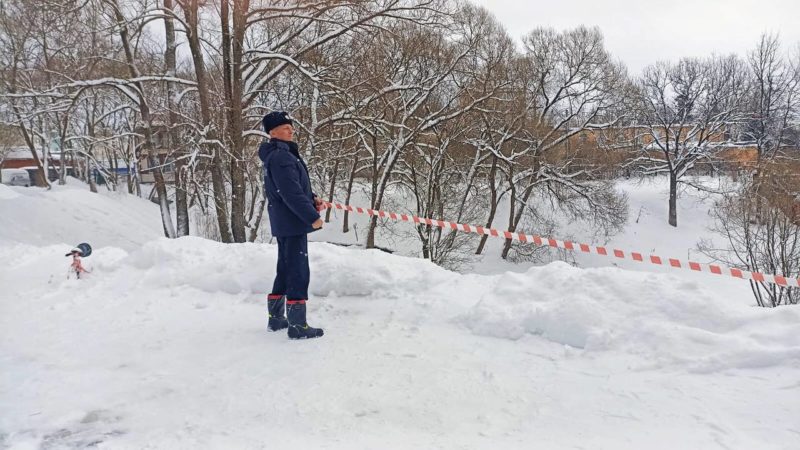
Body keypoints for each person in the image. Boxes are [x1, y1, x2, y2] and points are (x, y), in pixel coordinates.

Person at [258, 111, 325, 340]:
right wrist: (311, 216)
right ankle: (297, 325)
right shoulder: (281, 157)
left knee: (286, 267)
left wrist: (313, 198)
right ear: (273, 132)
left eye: (291, 127)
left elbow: (295, 186)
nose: (291, 130)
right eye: (286, 127)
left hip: (286, 221)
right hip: (293, 221)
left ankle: (276, 319)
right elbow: (289, 192)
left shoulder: (281, 155)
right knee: (297, 270)